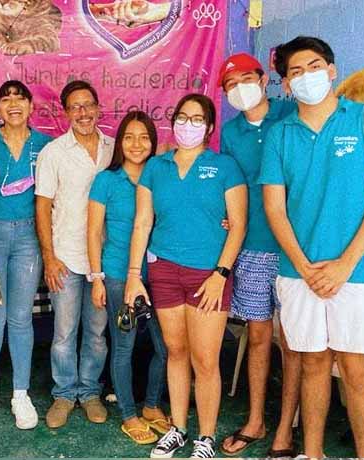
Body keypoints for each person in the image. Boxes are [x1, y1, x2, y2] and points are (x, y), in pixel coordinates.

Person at [260, 36, 364, 458]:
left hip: (358, 275)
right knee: (312, 365)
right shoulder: (280, 135)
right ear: (285, 84)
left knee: (358, 372)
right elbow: (275, 209)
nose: (307, 76)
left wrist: (343, 265)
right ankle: (313, 452)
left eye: (315, 65)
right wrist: (305, 268)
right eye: (296, 72)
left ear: (333, 69)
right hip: (298, 273)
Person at [125, 93, 248, 458]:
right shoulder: (156, 168)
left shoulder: (225, 167)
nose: (187, 124)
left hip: (208, 276)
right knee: (176, 352)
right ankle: (178, 428)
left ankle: (205, 438)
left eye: (197, 119)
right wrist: (135, 275)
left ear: (209, 128)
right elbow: (143, 222)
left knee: (205, 360)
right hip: (163, 271)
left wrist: (220, 274)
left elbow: (238, 225)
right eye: (182, 117)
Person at [216, 53, 301, 458]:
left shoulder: (291, 112)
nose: (240, 89)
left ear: (264, 79)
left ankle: (286, 429)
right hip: (251, 247)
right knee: (259, 336)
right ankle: (256, 420)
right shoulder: (231, 133)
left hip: (297, 248)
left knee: (298, 342)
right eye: (231, 85)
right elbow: (232, 186)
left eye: (246, 79)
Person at [0, 81, 53, 430]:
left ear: (31, 106)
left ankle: (20, 392)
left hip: (29, 236)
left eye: (20, 98)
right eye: (6, 99)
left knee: (20, 318)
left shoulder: (45, 145)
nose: (14, 104)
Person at [34, 80, 115, 428]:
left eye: (88, 105)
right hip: (65, 257)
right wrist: (49, 257)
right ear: (65, 112)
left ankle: (90, 393)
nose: (83, 113)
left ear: (99, 108)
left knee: (97, 332)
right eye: (75, 107)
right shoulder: (54, 152)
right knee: (65, 332)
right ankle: (64, 394)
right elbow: (42, 207)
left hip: (104, 259)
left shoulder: (115, 148)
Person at [87, 111, 170, 445]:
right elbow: (93, 232)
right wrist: (96, 278)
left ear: (153, 142)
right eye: (129, 137)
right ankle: (128, 414)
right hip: (120, 276)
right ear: (119, 142)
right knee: (125, 346)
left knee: (166, 348)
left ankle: (151, 406)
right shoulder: (107, 180)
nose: (137, 144)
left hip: (160, 276)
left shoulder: (162, 176)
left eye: (145, 137)